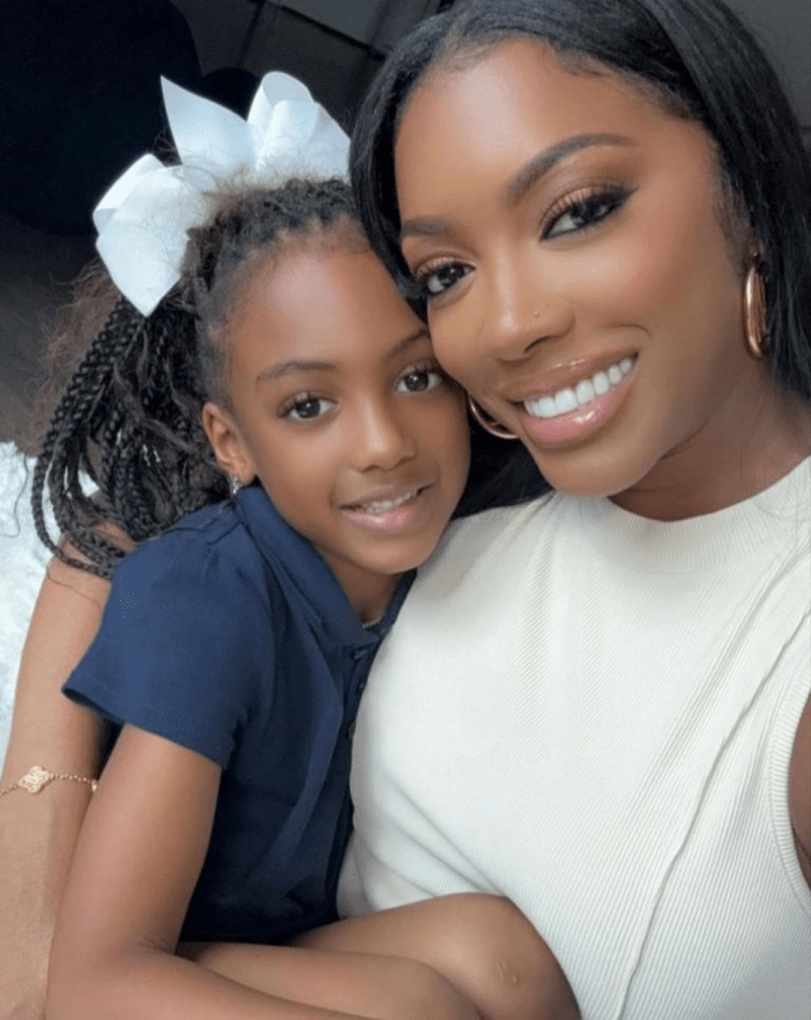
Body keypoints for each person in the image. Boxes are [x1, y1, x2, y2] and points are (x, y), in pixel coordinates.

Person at [4, 74, 575, 1020]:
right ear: (229, 442)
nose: (384, 444)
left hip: (266, 936)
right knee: (419, 1008)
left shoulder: (456, 547)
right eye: (309, 406)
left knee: (500, 954)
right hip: (129, 955)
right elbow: (93, 977)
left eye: (416, 378)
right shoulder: (208, 598)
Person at [333, 0, 811, 1018]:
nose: (506, 326)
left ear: (742, 179)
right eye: (447, 273)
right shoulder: (435, 495)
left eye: (578, 211)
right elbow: (140, 540)